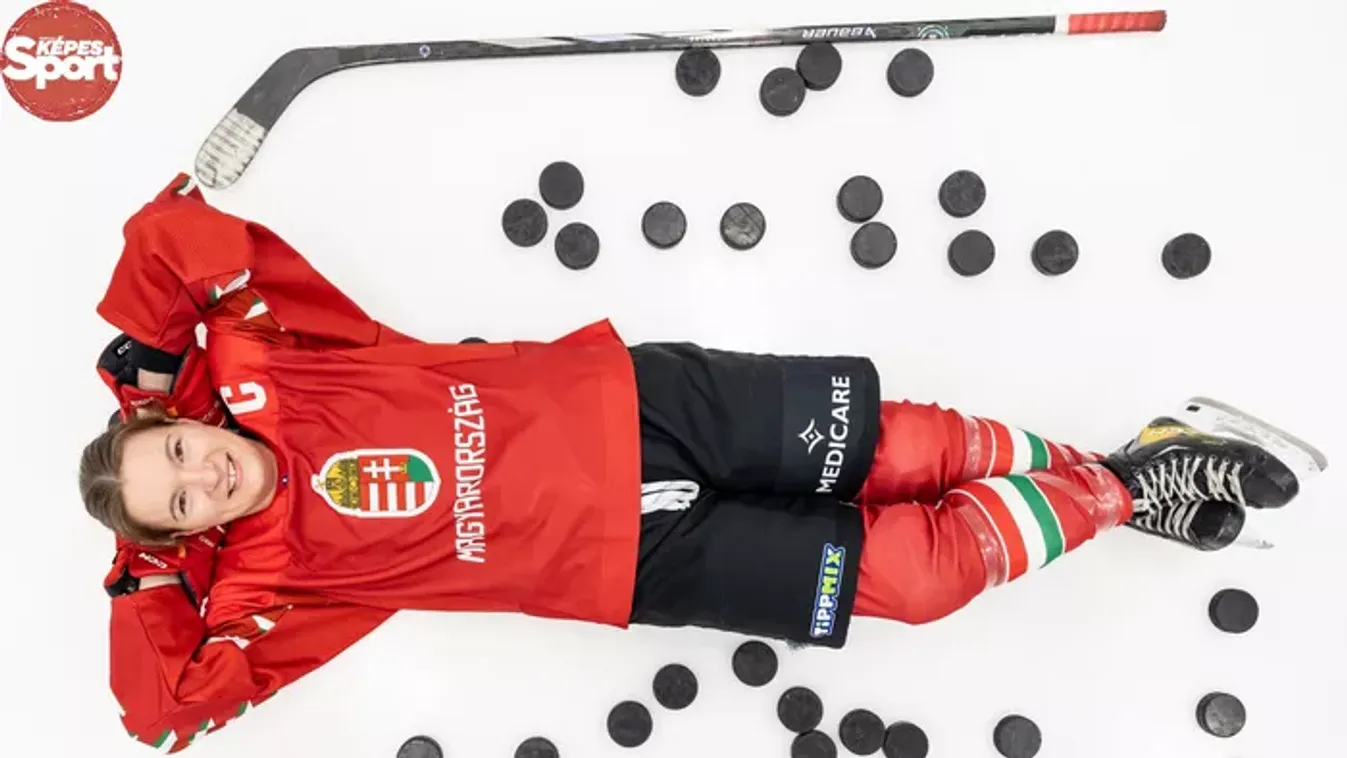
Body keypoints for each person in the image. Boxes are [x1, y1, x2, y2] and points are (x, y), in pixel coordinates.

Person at [77, 174, 1322, 754]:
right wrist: (144, 575)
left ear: (181, 418)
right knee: (918, 578)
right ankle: (1132, 480)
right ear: (184, 533)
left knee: (914, 448)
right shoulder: (269, 578)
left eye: (176, 449)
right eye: (176, 501)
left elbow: (168, 237)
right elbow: (158, 710)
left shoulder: (268, 360)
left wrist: (141, 367)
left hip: (649, 402)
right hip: (642, 564)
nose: (202, 474)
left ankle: (1134, 477)